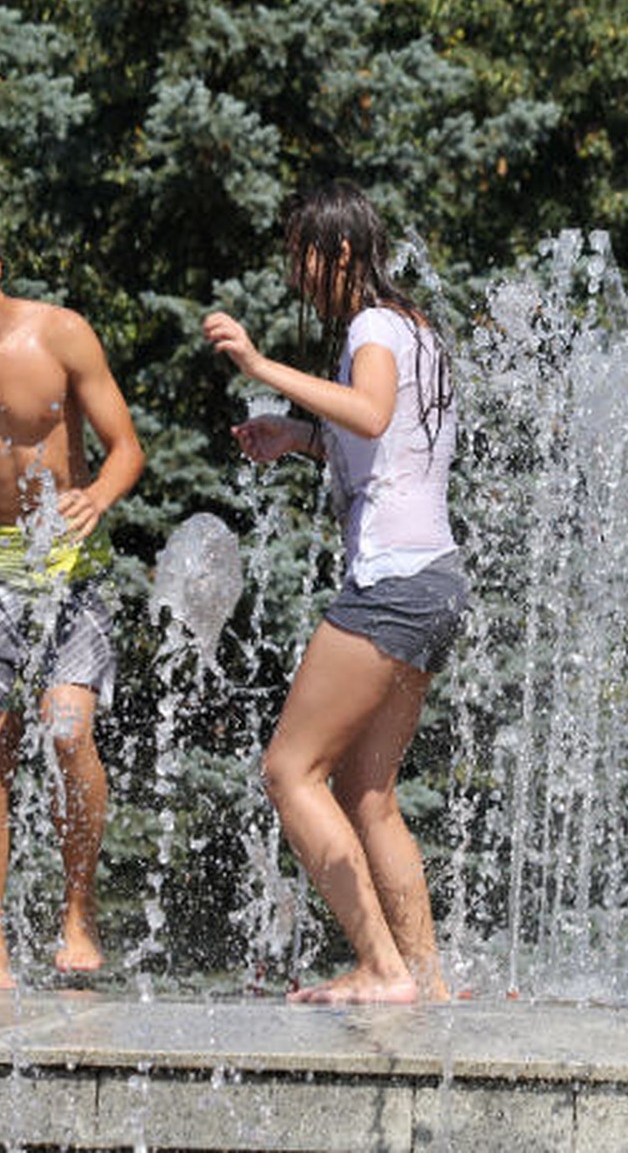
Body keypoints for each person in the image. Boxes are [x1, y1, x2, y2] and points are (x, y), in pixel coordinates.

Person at [203, 181, 467, 1005]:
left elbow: (373, 409)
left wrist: (258, 367)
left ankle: (383, 969)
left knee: (289, 770)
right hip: (435, 577)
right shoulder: (415, 325)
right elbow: (387, 449)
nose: (297, 274)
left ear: (340, 253)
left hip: (390, 583)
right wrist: (301, 438)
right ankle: (423, 976)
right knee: (367, 790)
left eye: (303, 256)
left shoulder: (371, 327)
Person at [0, 200, 145, 989]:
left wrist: (98, 493)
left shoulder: (61, 334)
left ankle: (79, 911)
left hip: (71, 562)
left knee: (68, 731)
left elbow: (126, 447)